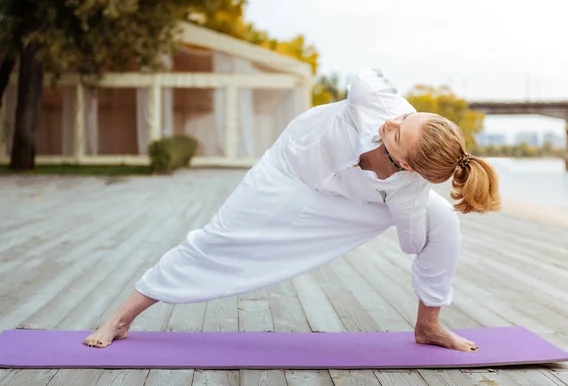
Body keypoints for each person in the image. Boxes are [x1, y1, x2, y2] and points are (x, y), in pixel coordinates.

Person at [83, 68, 501, 351]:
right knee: (217, 239)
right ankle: (121, 319)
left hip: (357, 200)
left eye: (397, 136)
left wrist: (404, 212)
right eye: (408, 118)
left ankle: (428, 326)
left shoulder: (407, 189)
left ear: (407, 165)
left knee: (444, 221)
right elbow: (365, 75)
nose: (392, 122)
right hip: (289, 173)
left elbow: (412, 245)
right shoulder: (378, 101)